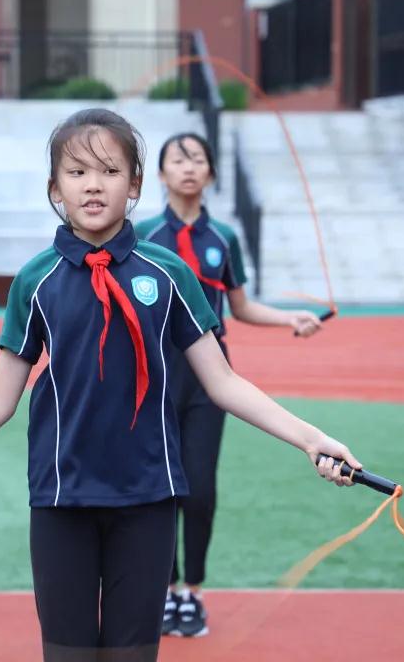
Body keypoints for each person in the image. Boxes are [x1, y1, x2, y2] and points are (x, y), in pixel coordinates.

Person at [0, 109, 361, 662]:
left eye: (109, 170)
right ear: (55, 188)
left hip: (149, 497)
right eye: (77, 172)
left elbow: (222, 382)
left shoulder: (169, 274)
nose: (94, 185)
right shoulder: (35, 280)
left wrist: (312, 439)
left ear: (136, 185)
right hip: (62, 498)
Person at [134, 132, 322, 637]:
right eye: (178, 160)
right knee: (158, 487)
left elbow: (240, 307)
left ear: (211, 173)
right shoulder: (142, 235)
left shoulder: (223, 238)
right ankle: (163, 589)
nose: (188, 167)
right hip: (153, 373)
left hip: (210, 374)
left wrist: (289, 318)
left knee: (199, 488)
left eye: (197, 159)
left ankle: (191, 592)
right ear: (161, 175)